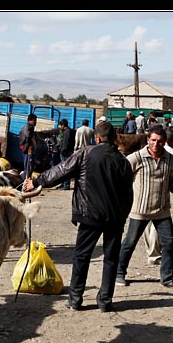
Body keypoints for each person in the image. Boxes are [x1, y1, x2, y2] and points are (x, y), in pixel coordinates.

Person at [23, 121, 133, 312]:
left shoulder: (86, 153)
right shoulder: (122, 160)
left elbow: (61, 171)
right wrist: (122, 216)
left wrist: (37, 181)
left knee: (82, 257)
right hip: (114, 219)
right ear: (114, 139)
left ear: (97, 138)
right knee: (111, 259)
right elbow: (128, 194)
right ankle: (105, 301)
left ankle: (75, 299)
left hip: (89, 215)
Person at [115, 125, 173, 290]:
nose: (156, 144)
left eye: (160, 141)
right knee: (129, 242)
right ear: (148, 140)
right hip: (139, 210)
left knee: (169, 244)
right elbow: (120, 175)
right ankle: (119, 273)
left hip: (162, 210)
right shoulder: (136, 157)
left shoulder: (169, 159)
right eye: (153, 140)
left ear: (164, 142)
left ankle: (167, 278)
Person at [19, 113, 38, 179]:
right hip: (27, 149)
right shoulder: (28, 127)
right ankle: (25, 182)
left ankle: (26, 180)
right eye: (34, 121)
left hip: (27, 149)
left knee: (29, 166)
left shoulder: (28, 127)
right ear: (30, 120)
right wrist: (33, 142)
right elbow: (28, 136)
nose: (35, 122)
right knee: (28, 167)